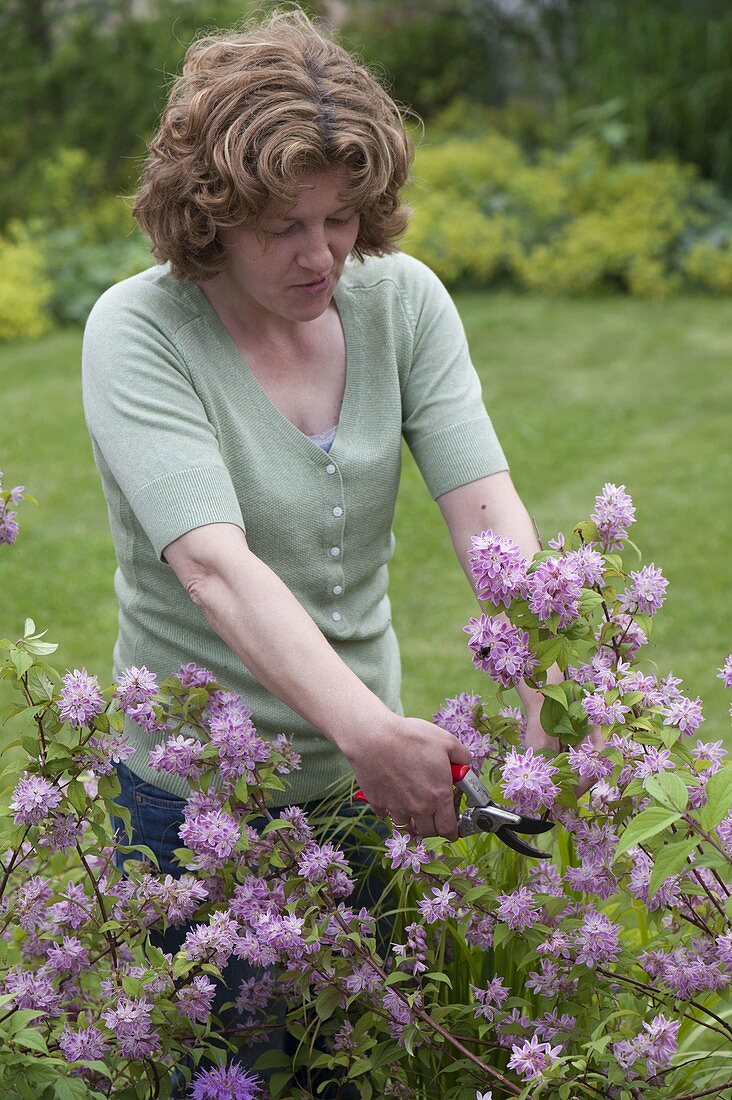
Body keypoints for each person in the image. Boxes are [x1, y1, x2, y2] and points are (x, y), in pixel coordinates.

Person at [81, 4, 563, 1083]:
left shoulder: (403, 303)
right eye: (282, 228)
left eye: (341, 218)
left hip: (360, 787)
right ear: (207, 214)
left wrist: (547, 698)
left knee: (365, 1071)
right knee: (226, 1068)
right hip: (191, 803)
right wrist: (368, 734)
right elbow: (214, 565)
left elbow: (488, 509)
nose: (322, 255)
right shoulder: (140, 330)